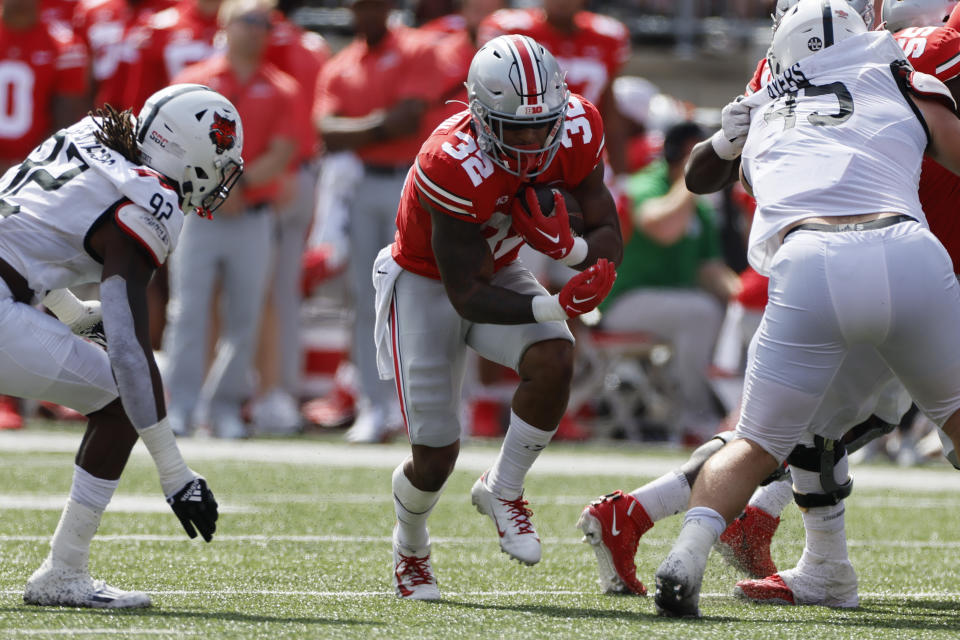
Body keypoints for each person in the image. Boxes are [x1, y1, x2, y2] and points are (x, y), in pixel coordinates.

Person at [652, 0, 960, 617]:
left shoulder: (765, 103)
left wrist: (724, 137)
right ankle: (817, 563)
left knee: (757, 442)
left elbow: (701, 175)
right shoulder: (903, 71)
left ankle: (685, 554)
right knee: (951, 420)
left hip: (811, 264)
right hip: (910, 252)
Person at [376, 34, 621, 600]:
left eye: (543, 124)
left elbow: (607, 229)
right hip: (427, 282)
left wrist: (578, 255)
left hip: (499, 267)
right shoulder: (449, 159)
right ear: (480, 116)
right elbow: (466, 292)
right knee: (434, 457)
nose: (534, 140)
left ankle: (504, 487)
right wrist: (555, 302)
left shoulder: (580, 126)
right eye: (517, 128)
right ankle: (410, 546)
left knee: (556, 356)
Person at [0, 82, 232, 607]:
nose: (220, 178)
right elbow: (128, 347)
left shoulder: (89, 136)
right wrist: (175, 473)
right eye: (220, 161)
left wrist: (74, 314)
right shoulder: (149, 200)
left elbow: (28, 238)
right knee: (119, 403)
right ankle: (64, 571)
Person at [313, 0, 451, 443]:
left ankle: (421, 405)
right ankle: (374, 405)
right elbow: (325, 130)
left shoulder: (418, 48)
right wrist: (378, 127)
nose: (366, 11)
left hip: (410, 180)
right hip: (362, 185)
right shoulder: (341, 64)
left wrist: (358, 131)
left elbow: (408, 119)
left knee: (422, 290)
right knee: (365, 294)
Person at [162, 0, 298, 439]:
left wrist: (238, 184)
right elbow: (173, 147)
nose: (260, 30)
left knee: (245, 315)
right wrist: (223, 187)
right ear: (226, 25)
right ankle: (180, 406)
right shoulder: (192, 83)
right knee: (187, 312)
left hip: (252, 214)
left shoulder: (281, 87)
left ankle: (223, 405)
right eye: (251, 20)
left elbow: (282, 150)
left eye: (267, 23)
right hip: (201, 213)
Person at [597, 120, 741, 443]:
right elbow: (662, 228)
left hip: (673, 304)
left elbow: (711, 271)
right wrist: (693, 180)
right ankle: (695, 418)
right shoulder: (647, 184)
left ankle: (725, 414)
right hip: (622, 302)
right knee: (701, 312)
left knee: (728, 314)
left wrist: (747, 298)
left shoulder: (698, 208)